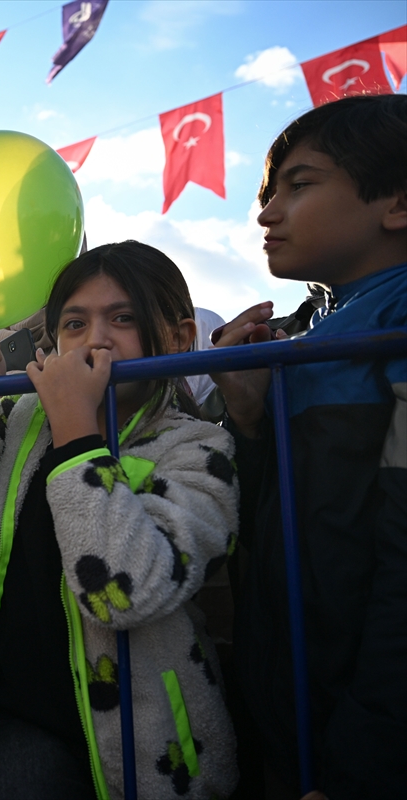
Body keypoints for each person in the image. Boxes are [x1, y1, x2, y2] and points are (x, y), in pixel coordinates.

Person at [0, 241, 239, 800]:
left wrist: (77, 434)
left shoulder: (199, 448)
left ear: (179, 336)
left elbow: (123, 593)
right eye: (75, 323)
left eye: (124, 318)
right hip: (12, 715)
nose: (96, 338)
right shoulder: (21, 418)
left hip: (144, 745)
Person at [210, 94, 406, 800]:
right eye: (270, 193)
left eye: (299, 185)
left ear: (398, 203)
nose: (266, 214)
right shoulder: (310, 330)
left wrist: (365, 761)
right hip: (298, 709)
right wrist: (249, 417)